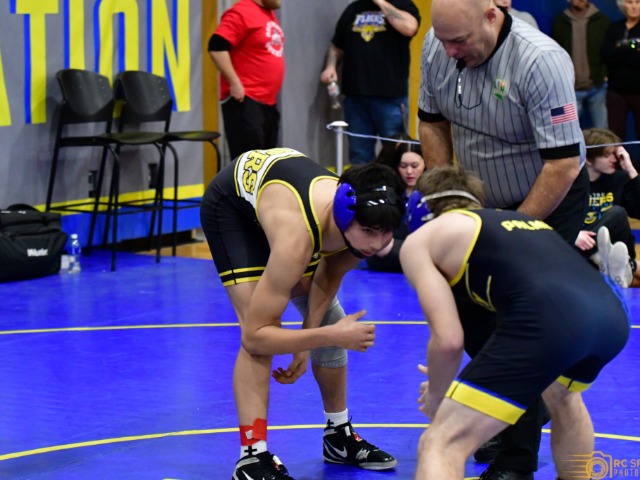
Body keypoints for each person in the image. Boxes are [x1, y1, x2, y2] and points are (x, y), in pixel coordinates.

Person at [418, 0, 590, 478]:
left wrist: (508, 237)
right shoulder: (438, 45)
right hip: (481, 199)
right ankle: (506, 417)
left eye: (460, 41)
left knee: (519, 320)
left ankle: (516, 461)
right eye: (443, 40)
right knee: (473, 313)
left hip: (550, 194)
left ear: (492, 16)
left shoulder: (541, 61)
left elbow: (563, 164)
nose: (449, 52)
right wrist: (448, 197)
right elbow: (431, 121)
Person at [400, 165, 630, 480]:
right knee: (563, 396)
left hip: (549, 318)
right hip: (610, 316)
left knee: (441, 441)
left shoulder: (423, 239)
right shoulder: (522, 222)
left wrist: (438, 399)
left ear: (419, 208)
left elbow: (448, 340)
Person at [200, 147, 404, 479]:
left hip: (286, 202)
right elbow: (255, 337)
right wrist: (326, 336)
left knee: (331, 320)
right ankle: (251, 457)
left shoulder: (363, 224)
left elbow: (329, 274)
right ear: (344, 215)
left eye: (385, 233)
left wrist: (309, 340)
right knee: (264, 332)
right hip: (233, 208)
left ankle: (338, 435)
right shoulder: (298, 237)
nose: (376, 244)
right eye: (369, 232)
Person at [320, 0, 421, 165]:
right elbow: (337, 46)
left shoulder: (402, 4)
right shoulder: (353, 9)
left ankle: (391, 183)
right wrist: (331, 66)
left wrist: (380, 2)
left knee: (396, 154)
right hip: (355, 98)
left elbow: (410, 28)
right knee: (359, 156)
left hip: (390, 98)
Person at [207, 0, 285, 160]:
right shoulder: (241, 12)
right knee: (249, 163)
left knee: (267, 162)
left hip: (268, 102)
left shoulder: (269, 13)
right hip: (245, 101)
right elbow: (216, 47)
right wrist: (234, 82)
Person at [575, 128, 640, 287]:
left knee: (617, 214)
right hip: (580, 247)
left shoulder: (618, 178)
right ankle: (608, 263)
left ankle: (614, 264)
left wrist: (631, 170)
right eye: (607, 155)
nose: (614, 159)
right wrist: (574, 235)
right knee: (616, 213)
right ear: (588, 159)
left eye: (614, 153)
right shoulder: (571, 183)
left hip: (616, 252)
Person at [367, 134, 425, 272]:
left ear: (425, 164)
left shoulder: (432, 194)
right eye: (403, 166)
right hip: (387, 255)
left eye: (415, 166)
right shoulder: (387, 192)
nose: (409, 172)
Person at [551, 0, 611, 129]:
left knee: (603, 131)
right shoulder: (560, 21)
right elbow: (555, 53)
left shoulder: (602, 19)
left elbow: (608, 50)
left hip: (597, 87)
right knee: (566, 131)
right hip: (570, 89)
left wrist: (605, 74)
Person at [602, 0, 640, 144]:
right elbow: (607, 55)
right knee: (615, 134)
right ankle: (617, 159)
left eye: (638, 2)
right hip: (616, 90)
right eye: (630, 2)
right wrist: (633, 48)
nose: (634, 6)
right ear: (623, 5)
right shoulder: (614, 27)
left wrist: (620, 49)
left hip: (638, 90)